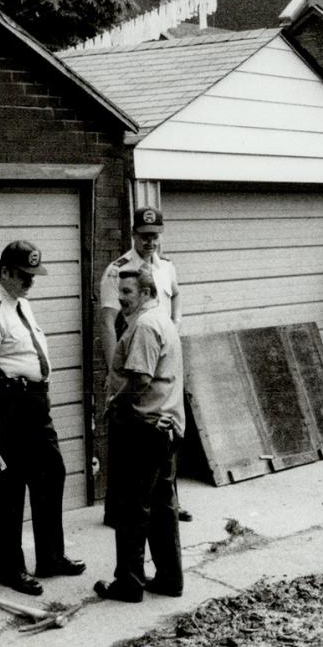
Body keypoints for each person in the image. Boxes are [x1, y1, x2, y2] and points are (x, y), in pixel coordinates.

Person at [0, 241, 84, 595]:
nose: (31, 282)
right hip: (5, 404)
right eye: (23, 275)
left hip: (32, 404)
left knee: (50, 473)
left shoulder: (21, 304)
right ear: (3, 272)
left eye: (34, 275)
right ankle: (9, 568)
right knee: (8, 486)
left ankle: (50, 556)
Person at [96, 266, 185, 602]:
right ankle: (169, 578)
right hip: (163, 427)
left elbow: (139, 381)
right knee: (161, 506)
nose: (120, 299)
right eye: (119, 293)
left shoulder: (146, 326)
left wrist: (114, 404)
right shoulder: (159, 320)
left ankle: (129, 583)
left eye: (128, 292)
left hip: (143, 428)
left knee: (131, 506)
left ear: (147, 293)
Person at [99, 206, 192, 523]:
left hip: (160, 355)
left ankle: (166, 503)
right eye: (145, 236)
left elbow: (176, 295)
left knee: (161, 430)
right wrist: (115, 375)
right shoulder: (119, 271)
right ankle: (118, 511)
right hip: (134, 359)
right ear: (134, 235)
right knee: (128, 435)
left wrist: (176, 324)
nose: (150, 242)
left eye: (155, 236)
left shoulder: (166, 267)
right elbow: (108, 323)